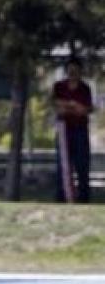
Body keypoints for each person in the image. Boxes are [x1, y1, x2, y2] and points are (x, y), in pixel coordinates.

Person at [52, 57, 94, 203]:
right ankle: (62, 197)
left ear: (80, 71)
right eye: (70, 70)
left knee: (82, 165)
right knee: (62, 165)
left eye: (75, 70)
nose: (73, 73)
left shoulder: (85, 88)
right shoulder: (59, 86)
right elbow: (58, 106)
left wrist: (70, 107)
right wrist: (73, 105)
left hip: (80, 130)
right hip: (64, 130)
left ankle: (83, 198)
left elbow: (85, 110)